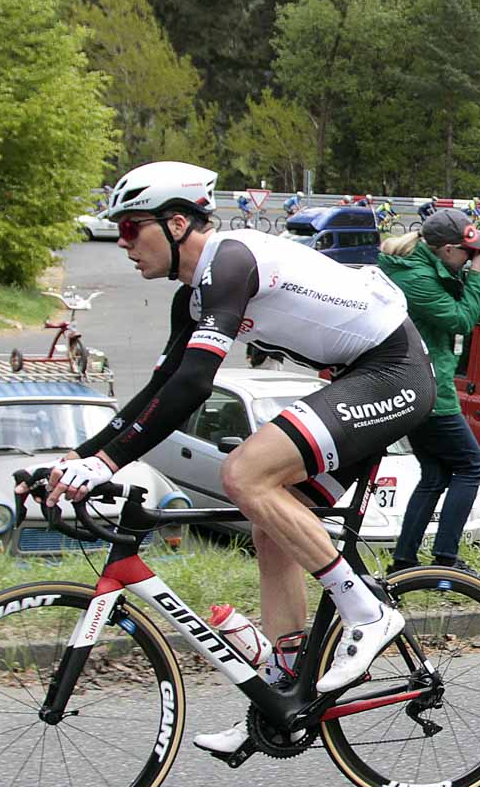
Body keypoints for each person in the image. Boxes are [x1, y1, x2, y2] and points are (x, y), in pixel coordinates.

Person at [50, 161, 432, 756]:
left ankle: (367, 611)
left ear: (178, 223)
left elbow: (193, 387)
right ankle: (285, 690)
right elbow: (158, 391)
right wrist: (80, 457)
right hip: (356, 378)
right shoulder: (193, 298)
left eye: (130, 228)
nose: (123, 243)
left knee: (243, 474)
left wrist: (105, 465)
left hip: (392, 371)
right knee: (268, 522)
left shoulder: (230, 262)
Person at [377, 209, 480, 576]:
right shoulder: (415, 278)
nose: (472, 257)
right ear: (448, 250)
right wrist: (477, 276)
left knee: (435, 475)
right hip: (425, 388)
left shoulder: (431, 268)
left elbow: (469, 313)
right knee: (471, 464)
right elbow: (459, 320)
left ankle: (404, 561)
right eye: (469, 252)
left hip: (422, 384)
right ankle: (447, 557)